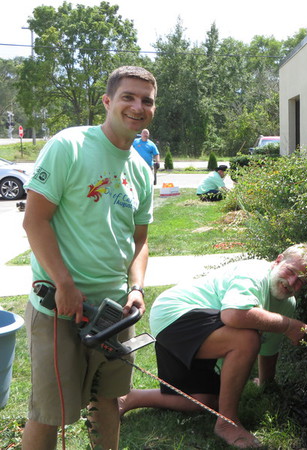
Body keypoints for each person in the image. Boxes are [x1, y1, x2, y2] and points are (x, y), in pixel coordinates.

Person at [21, 65, 157, 450]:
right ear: (108, 101)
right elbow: (35, 222)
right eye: (128, 96)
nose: (137, 106)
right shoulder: (70, 146)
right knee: (50, 415)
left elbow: (140, 241)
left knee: (108, 401)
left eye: (146, 100)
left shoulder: (141, 170)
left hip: (114, 312)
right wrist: (64, 283)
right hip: (59, 309)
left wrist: (136, 287)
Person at [119, 243, 307, 448]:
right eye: (290, 271)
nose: (291, 282)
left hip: (202, 326)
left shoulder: (287, 304)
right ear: (278, 260)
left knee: (206, 400)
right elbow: (233, 314)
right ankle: (227, 423)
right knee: (247, 340)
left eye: (300, 281)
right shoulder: (254, 273)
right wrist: (287, 325)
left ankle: (129, 399)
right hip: (175, 315)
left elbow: (269, 348)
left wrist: (267, 384)